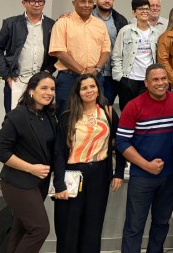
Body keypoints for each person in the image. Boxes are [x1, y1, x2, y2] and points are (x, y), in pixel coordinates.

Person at [53, 74, 124, 253]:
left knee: (93, 225)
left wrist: (119, 172)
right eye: (84, 88)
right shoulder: (68, 116)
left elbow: (120, 143)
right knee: (69, 226)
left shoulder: (108, 113)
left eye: (92, 86)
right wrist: (59, 183)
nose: (89, 91)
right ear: (78, 92)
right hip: (72, 174)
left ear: (98, 89)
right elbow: (59, 152)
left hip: (99, 174)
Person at [116, 63, 173, 253]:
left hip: (171, 175)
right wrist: (146, 165)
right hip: (142, 177)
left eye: (163, 79)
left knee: (161, 223)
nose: (160, 83)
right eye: (155, 79)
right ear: (146, 82)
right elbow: (122, 142)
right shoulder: (133, 106)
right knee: (134, 226)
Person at [0, 72, 56, 253]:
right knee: (39, 229)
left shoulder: (48, 115)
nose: (49, 92)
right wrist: (31, 169)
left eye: (52, 89)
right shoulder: (17, 115)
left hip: (40, 183)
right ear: (31, 90)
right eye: (44, 88)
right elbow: (0, 152)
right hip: (18, 183)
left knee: (21, 229)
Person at [0, 0, 57, 113]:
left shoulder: (52, 25)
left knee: (41, 117)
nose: (37, 4)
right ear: (24, 3)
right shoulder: (11, 23)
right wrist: (7, 76)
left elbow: (57, 53)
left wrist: (49, 70)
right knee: (15, 117)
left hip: (42, 81)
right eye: (32, 1)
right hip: (17, 79)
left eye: (40, 1)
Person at [49, 0, 110, 116]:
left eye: (90, 2)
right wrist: (82, 71)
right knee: (66, 115)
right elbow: (59, 51)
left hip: (95, 77)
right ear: (74, 3)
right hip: (69, 79)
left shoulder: (100, 24)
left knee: (96, 116)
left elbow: (106, 50)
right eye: (82, 2)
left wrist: (97, 69)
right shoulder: (63, 23)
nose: (87, 5)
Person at [112, 0, 158, 110]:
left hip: (148, 80)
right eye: (141, 9)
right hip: (129, 79)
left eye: (147, 9)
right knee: (128, 111)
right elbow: (116, 55)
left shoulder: (156, 33)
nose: (145, 11)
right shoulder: (125, 31)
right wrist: (120, 78)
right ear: (134, 12)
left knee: (146, 111)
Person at [92, 0, 129, 106]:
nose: (107, 1)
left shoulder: (120, 20)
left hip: (110, 74)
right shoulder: (87, 16)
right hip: (90, 71)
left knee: (106, 107)